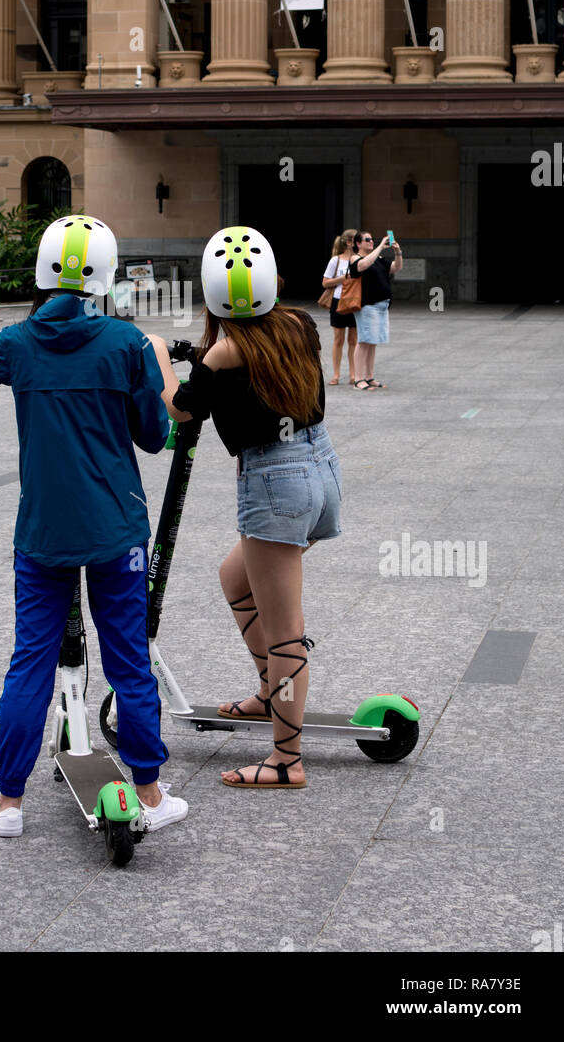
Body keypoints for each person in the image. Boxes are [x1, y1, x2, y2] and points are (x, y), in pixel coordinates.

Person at [0, 215, 188, 839]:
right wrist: (159, 377)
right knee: (128, 660)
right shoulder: (126, 343)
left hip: (42, 535)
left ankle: (8, 803)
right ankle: (149, 790)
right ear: (106, 277)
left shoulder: (21, 341)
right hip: (116, 530)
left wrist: (20, 341)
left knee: (28, 661)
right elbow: (154, 436)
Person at [148, 226, 341, 789]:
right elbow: (252, 380)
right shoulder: (299, 324)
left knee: (286, 632)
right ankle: (266, 692)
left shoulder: (225, 350)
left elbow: (182, 410)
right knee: (235, 576)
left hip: (277, 484)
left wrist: (160, 356)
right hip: (319, 468)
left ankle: (286, 761)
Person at [348, 231, 404, 390]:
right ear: (358, 244)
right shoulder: (356, 258)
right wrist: (380, 247)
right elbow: (362, 266)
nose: (371, 241)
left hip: (382, 305)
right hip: (367, 305)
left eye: (372, 239)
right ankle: (358, 380)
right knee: (364, 341)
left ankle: (369, 376)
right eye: (367, 240)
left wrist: (397, 252)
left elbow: (396, 268)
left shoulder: (378, 259)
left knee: (372, 343)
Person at [322, 228, 358, 386]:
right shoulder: (336, 260)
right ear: (349, 242)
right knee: (338, 339)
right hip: (338, 300)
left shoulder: (359, 259)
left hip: (356, 301)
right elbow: (325, 282)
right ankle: (336, 374)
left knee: (353, 340)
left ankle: (353, 374)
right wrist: (343, 278)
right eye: (357, 239)